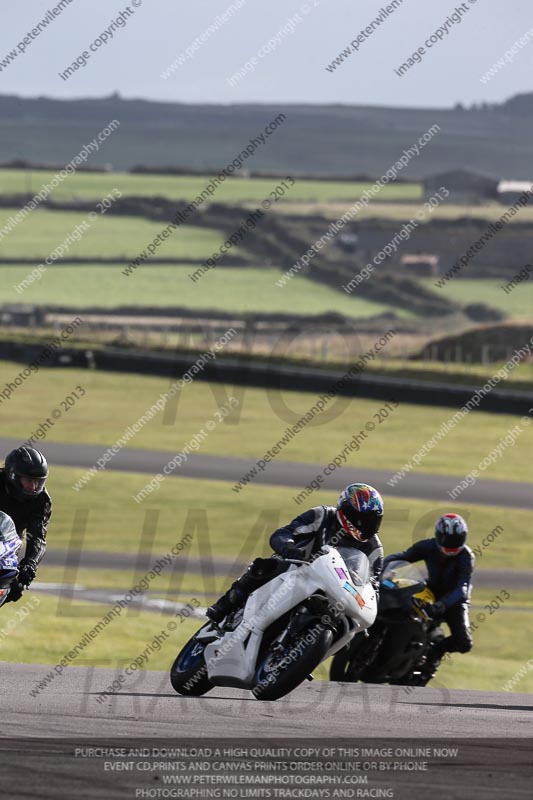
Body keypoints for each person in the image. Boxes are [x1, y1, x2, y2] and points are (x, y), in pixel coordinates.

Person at [207, 483, 385, 623]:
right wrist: (290, 548)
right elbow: (282, 534)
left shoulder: (374, 549)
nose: (364, 525)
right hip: (296, 567)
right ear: (345, 511)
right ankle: (223, 606)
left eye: (371, 520)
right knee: (264, 567)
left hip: (334, 591)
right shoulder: (322, 515)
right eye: (360, 519)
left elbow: (373, 590)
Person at [383, 512, 474, 677]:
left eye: (456, 540)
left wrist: (443, 605)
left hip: (455, 600)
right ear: (439, 536)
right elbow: (403, 557)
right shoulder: (428, 547)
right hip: (431, 589)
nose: (451, 546)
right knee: (399, 598)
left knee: (464, 643)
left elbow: (462, 586)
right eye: (448, 540)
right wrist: (384, 567)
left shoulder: (466, 556)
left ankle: (433, 657)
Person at [0, 446, 51, 602]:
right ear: (13, 476)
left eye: (38, 482)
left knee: (15, 588)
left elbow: (38, 537)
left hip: (6, 551)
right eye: (29, 481)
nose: (33, 487)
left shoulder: (41, 500)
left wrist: (30, 564)